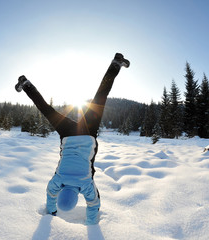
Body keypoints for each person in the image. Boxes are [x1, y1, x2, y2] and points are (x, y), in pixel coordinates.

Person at [15, 53, 130, 225]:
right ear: (62, 192)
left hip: (88, 132)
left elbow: (94, 203)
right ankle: (25, 84)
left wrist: (91, 222)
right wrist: (52, 210)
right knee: (46, 109)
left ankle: (116, 63)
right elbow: (50, 194)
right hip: (67, 134)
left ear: (78, 198)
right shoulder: (57, 180)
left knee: (100, 96)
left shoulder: (86, 185)